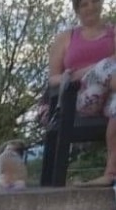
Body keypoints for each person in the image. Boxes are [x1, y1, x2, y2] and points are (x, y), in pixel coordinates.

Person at [47, 0, 116, 187]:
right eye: (85, 4)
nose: (91, 7)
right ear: (77, 9)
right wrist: (79, 74)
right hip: (80, 98)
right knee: (107, 64)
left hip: (111, 98)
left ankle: (110, 174)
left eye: (94, 1)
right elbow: (53, 79)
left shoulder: (113, 33)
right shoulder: (65, 38)